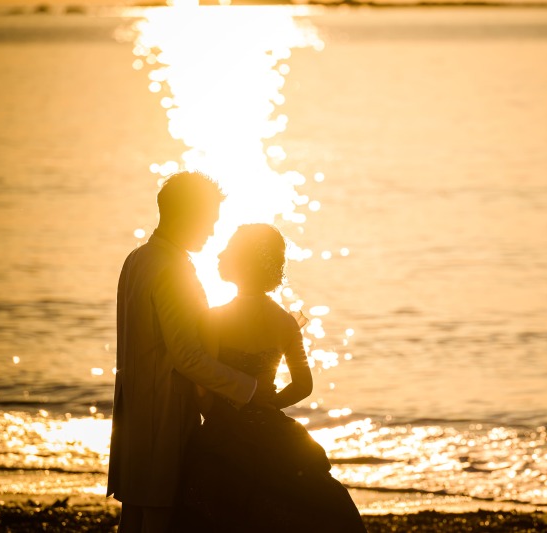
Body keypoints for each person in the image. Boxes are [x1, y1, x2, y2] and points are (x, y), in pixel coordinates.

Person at [107, 171, 273, 533]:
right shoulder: (173, 270)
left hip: (132, 410)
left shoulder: (137, 259)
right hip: (165, 414)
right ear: (188, 215)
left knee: (133, 514)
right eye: (209, 221)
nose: (212, 231)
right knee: (160, 516)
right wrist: (250, 388)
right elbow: (188, 357)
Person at [181, 223, 366, 532]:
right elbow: (303, 385)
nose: (222, 254)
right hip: (271, 429)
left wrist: (219, 409)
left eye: (230, 249)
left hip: (222, 430)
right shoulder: (285, 322)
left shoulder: (214, 318)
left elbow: (203, 385)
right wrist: (268, 403)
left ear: (241, 262)